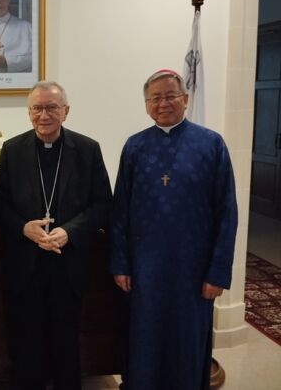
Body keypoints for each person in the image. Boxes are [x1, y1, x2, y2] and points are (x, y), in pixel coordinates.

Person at [110, 69, 238, 390]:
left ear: (186, 98)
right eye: (155, 98)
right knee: (145, 343)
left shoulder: (211, 144)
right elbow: (119, 211)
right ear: (146, 105)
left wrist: (218, 272)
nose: (163, 103)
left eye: (170, 96)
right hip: (145, 272)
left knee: (187, 345)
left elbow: (227, 213)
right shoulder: (135, 147)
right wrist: (121, 264)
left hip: (193, 274)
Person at [0, 81, 112, 390]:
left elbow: (102, 204)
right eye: (37, 108)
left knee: (66, 344)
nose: (43, 115)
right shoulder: (12, 150)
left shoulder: (87, 149)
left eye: (51, 108)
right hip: (25, 266)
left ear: (66, 111)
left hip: (67, 265)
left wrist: (70, 232)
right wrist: (24, 228)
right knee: (26, 344)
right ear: (29, 112)